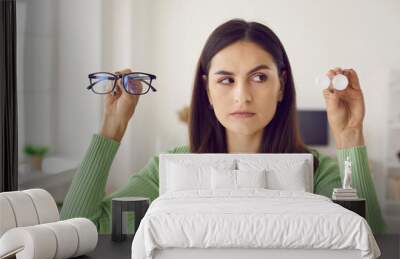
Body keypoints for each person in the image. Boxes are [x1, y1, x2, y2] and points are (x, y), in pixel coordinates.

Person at [60, 18, 387, 234]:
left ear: (282, 86)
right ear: (207, 90)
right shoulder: (168, 169)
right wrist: (111, 129)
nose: (242, 96)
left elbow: (374, 246)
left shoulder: (318, 171)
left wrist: (349, 135)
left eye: (259, 77)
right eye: (226, 80)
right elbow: (82, 227)